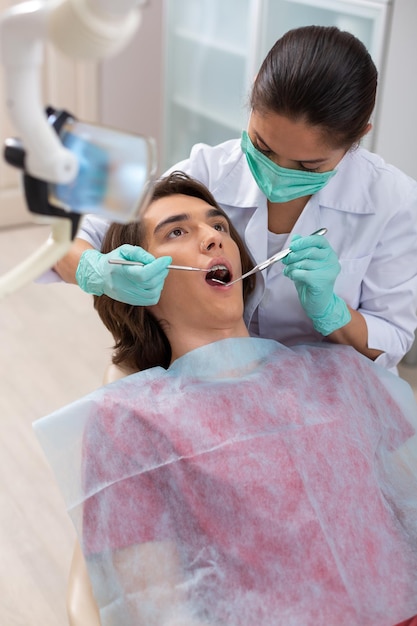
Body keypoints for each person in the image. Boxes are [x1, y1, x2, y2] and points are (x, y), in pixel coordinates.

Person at [35, 172, 417, 626]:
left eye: (219, 226)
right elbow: (152, 605)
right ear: (137, 282)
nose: (214, 237)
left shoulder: (343, 372)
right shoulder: (130, 421)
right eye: (177, 231)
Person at [53, 25, 417, 372]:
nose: (278, 171)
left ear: (360, 136)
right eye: (262, 146)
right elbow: (66, 242)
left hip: (331, 393)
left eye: (308, 165)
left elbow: (392, 339)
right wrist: (95, 271)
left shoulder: (393, 201)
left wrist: (334, 312)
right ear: (255, 90)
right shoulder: (207, 171)